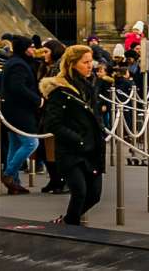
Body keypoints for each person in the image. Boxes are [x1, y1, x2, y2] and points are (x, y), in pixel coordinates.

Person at [42, 44, 106, 226]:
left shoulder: (90, 85)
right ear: (72, 64)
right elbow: (52, 123)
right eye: (85, 62)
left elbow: (95, 114)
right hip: (71, 150)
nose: (90, 66)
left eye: (90, 62)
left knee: (94, 195)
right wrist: (77, 139)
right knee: (80, 191)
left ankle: (66, 222)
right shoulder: (60, 91)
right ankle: (71, 228)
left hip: (92, 148)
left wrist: (100, 130)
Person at [0, 35, 42, 194]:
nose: (33, 49)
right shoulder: (19, 65)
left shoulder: (15, 62)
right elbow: (18, 87)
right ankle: (9, 174)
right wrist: (37, 100)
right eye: (30, 47)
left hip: (12, 110)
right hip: (20, 111)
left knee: (15, 144)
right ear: (24, 48)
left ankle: (14, 183)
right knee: (31, 143)